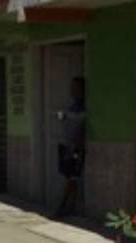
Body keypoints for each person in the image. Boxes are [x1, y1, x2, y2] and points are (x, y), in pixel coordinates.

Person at [54, 77, 87, 218]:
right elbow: (64, 118)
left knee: (72, 177)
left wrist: (73, 148)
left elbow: (82, 129)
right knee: (70, 176)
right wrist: (59, 115)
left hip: (74, 147)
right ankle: (71, 206)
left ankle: (62, 207)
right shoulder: (72, 106)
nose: (72, 90)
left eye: (76, 88)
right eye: (72, 87)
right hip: (65, 144)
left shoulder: (84, 107)